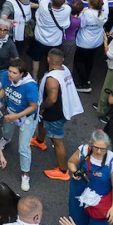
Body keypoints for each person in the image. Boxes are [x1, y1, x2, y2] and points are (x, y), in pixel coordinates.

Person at [33, 48, 83, 181]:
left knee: (57, 141)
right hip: (64, 108)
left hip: (55, 113)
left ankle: (63, 170)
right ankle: (40, 140)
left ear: (48, 59)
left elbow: (52, 99)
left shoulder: (52, 78)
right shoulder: (64, 69)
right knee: (41, 121)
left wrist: (41, 106)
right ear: (62, 60)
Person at [66, 129, 113, 225]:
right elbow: (71, 162)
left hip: (99, 201)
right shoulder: (84, 150)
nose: (99, 151)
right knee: (77, 221)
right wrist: (75, 171)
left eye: (103, 149)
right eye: (96, 148)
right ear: (91, 144)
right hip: (79, 193)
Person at [0, 58, 40, 192]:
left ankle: (25, 174)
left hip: (26, 118)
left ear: (22, 74)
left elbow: (33, 106)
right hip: (10, 111)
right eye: (10, 71)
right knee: (6, 133)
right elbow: (4, 90)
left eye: (14, 73)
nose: (10, 74)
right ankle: (5, 139)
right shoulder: (6, 76)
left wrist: (16, 116)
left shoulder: (30, 86)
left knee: (23, 147)